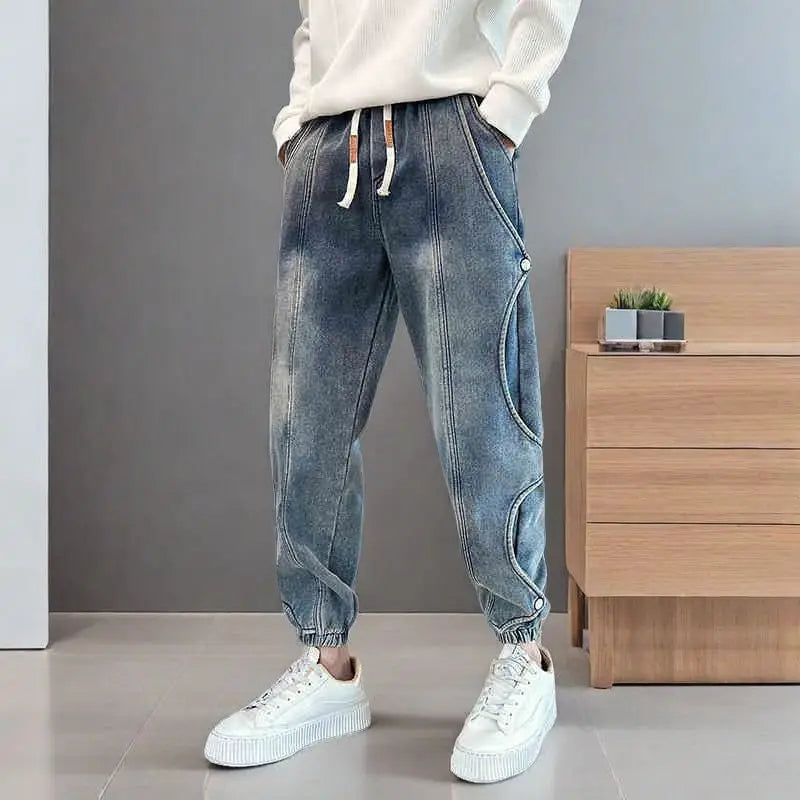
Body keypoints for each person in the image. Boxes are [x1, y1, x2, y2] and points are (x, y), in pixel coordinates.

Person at [205, 0, 581, 784]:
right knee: (304, 421)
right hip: (327, 147)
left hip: (454, 132)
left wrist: (508, 110)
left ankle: (523, 655)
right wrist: (298, 122)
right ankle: (327, 663)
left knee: (481, 416)